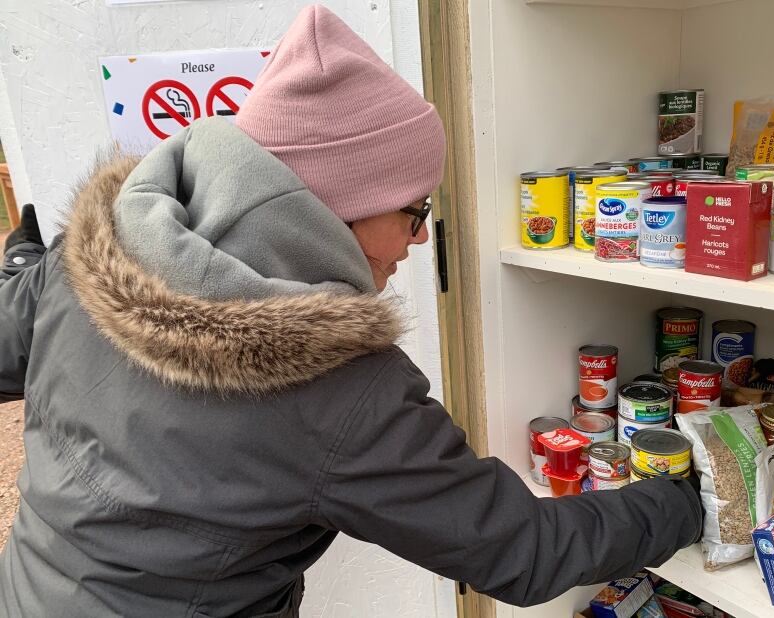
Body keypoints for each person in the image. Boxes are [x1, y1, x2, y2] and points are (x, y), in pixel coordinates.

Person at [0, 5, 701, 617]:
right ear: (333, 212)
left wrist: (24, 271)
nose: (423, 235)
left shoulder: (88, 258)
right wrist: (682, 501)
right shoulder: (338, 390)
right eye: (413, 209)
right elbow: (521, 551)